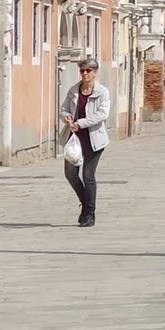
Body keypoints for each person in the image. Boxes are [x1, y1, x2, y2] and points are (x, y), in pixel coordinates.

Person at [64, 57, 110, 226]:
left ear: (95, 73)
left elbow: (102, 114)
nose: (85, 73)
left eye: (88, 71)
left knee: (88, 175)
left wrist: (80, 122)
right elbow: (64, 108)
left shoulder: (102, 92)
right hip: (75, 139)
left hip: (94, 139)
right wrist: (67, 118)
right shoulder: (74, 90)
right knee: (70, 174)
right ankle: (86, 204)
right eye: (82, 70)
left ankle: (89, 214)